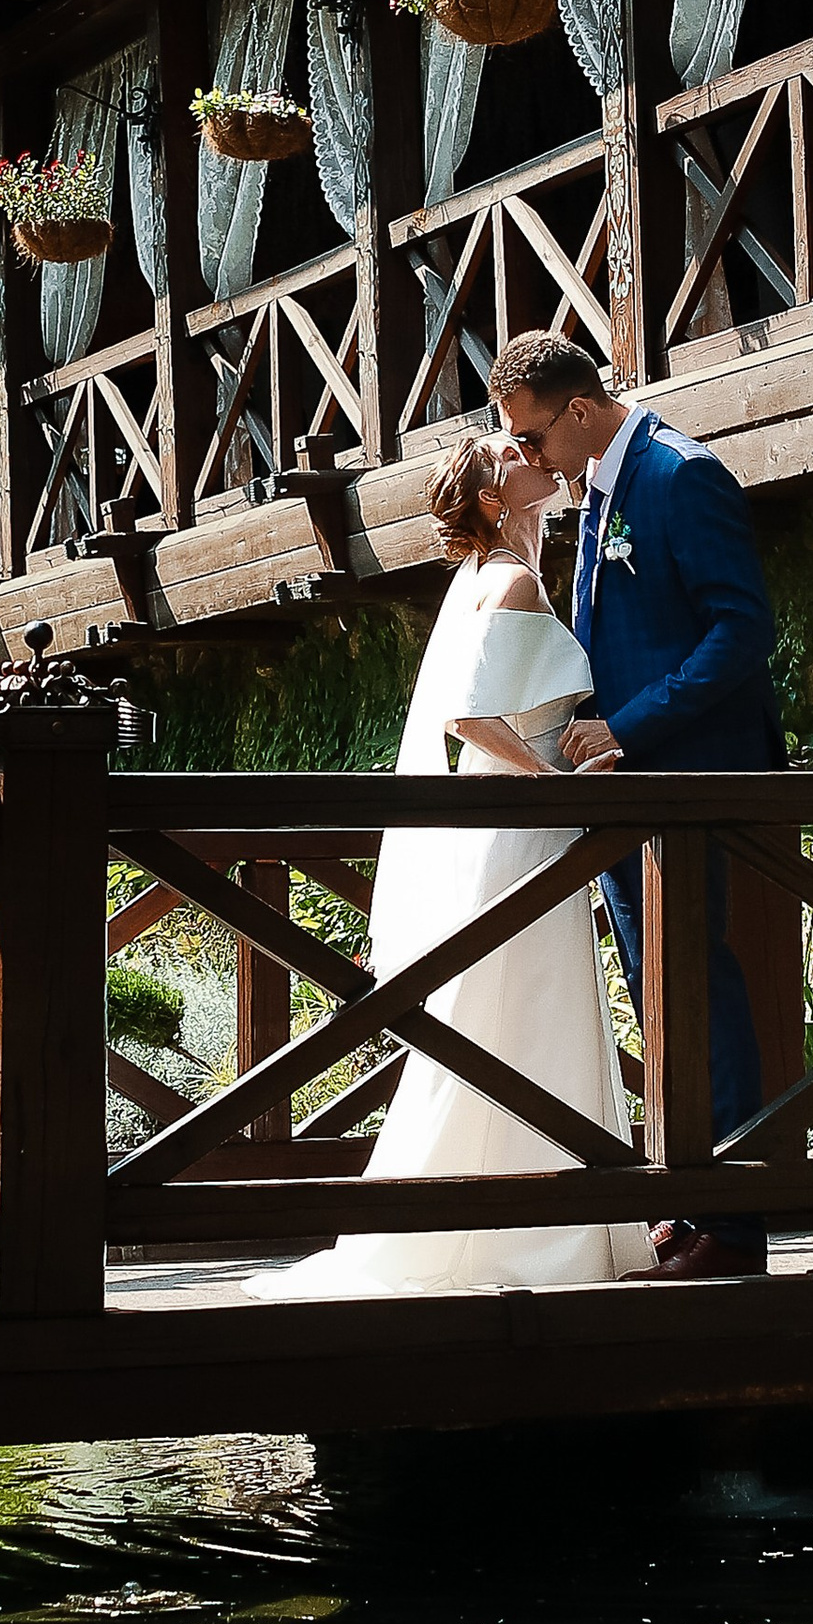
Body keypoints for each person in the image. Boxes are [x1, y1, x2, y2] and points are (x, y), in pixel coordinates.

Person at [260, 430, 653, 1301]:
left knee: (502, 1015)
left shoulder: (482, 580)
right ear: (489, 497)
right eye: (513, 452)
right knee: (523, 1005)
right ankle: (541, 1231)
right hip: (517, 836)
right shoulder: (508, 580)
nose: (535, 453)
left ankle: (514, 1221)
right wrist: (554, 777)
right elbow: (471, 719)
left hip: (506, 833)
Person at [488, 328, 783, 1281]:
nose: (530, 459)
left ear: (579, 410)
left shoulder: (680, 475)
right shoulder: (599, 489)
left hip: (685, 778)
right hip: (626, 791)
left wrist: (629, 729)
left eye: (532, 439)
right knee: (658, 995)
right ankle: (687, 1198)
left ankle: (733, 1223)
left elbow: (742, 630)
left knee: (700, 987)